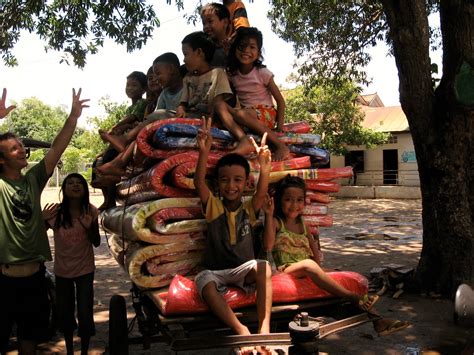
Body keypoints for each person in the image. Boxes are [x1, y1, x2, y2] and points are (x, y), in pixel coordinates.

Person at [0, 88, 89, 355]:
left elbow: (57, 148)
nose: (22, 151)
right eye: (15, 148)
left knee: (30, 339)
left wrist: (73, 117)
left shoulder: (33, 179)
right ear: (1, 160)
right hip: (4, 279)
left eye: (21, 146)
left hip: (35, 278)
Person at [263, 175, 410, 336]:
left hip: (309, 268)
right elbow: (268, 246)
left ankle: (379, 322)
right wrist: (269, 215)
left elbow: (315, 254)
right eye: (288, 199)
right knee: (308, 265)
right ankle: (352, 297)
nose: (294, 205)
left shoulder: (303, 224)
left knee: (343, 275)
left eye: (299, 200)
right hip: (289, 269)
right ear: (279, 200)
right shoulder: (277, 222)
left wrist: (325, 271)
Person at [194, 117, 273, 355]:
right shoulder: (214, 207)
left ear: (246, 183)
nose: (231, 186)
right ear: (217, 184)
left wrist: (264, 166)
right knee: (204, 282)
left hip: (242, 270)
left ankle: (264, 327)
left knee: (264, 267)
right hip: (215, 271)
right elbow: (199, 182)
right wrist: (204, 151)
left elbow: (261, 193)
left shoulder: (249, 209)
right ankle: (241, 331)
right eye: (225, 180)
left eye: (237, 180)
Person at [97, 52, 185, 177]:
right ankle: (118, 163)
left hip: (179, 121)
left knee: (150, 122)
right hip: (164, 123)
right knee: (140, 137)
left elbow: (158, 114)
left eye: (158, 74)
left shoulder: (187, 86)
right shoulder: (165, 93)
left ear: (171, 69)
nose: (157, 78)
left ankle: (125, 139)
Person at [42, 173, 100, 355]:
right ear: (64, 189)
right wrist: (41, 218)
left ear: (84, 188)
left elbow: (97, 242)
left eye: (79, 183)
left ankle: (83, 351)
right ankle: (69, 350)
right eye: (70, 183)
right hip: (62, 271)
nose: (75, 185)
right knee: (65, 313)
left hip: (85, 269)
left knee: (84, 311)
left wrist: (89, 226)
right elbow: (35, 234)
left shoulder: (91, 211)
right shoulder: (56, 213)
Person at [215, 27, 290, 161]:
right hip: (246, 114)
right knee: (220, 105)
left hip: (266, 113)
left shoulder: (262, 73)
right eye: (242, 46)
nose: (246, 51)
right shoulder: (233, 75)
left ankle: (281, 146)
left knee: (241, 113)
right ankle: (243, 139)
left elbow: (280, 101)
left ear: (259, 52)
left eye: (252, 47)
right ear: (235, 49)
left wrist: (279, 127)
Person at [175, 31, 233, 119]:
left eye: (185, 54)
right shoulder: (188, 78)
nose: (184, 60)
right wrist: (180, 109)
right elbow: (183, 103)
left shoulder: (218, 74)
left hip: (208, 119)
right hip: (189, 116)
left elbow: (218, 104)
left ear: (199, 52)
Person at [99, 70, 147, 147]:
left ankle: (109, 136)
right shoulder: (129, 109)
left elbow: (131, 118)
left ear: (144, 89)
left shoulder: (142, 102)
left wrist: (114, 127)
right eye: (128, 85)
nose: (130, 88)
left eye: (134, 85)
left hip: (135, 134)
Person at [201, 3, 235, 67]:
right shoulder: (205, 50)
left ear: (225, 22)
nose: (206, 27)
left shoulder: (235, 48)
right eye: (204, 23)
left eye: (210, 21)